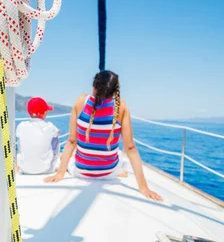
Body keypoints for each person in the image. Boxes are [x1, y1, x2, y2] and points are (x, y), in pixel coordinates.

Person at [45, 71, 162, 201]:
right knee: (118, 154)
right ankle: (118, 170)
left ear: (94, 86)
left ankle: (112, 169)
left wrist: (60, 173)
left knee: (71, 156)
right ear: (115, 91)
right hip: (109, 173)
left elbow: (72, 142)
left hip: (81, 172)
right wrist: (143, 187)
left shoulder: (81, 101)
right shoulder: (121, 107)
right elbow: (130, 148)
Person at [16, 97, 60, 175]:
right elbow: (58, 132)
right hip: (46, 170)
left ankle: (19, 164)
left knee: (21, 139)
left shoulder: (21, 126)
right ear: (44, 113)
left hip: (25, 170)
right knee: (55, 138)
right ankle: (53, 164)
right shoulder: (50, 126)